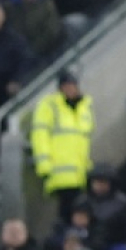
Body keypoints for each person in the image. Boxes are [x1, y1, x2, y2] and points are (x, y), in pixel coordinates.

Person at [30, 68, 94, 222]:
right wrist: (44, 165)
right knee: (66, 212)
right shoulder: (49, 106)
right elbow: (40, 136)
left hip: (80, 172)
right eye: (66, 86)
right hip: (60, 172)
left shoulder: (84, 106)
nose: (70, 89)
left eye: (72, 85)